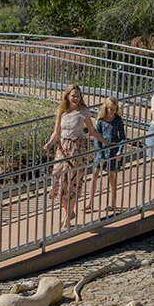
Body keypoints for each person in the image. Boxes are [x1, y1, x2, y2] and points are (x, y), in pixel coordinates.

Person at [43, 84, 108, 227]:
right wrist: (49, 144)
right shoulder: (62, 111)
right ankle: (69, 212)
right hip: (63, 149)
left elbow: (92, 130)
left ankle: (67, 217)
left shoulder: (83, 111)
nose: (75, 98)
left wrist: (105, 142)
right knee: (59, 181)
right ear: (67, 96)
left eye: (78, 96)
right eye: (73, 96)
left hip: (77, 149)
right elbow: (56, 132)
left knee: (73, 182)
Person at [87, 96, 126, 213]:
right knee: (95, 175)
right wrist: (100, 153)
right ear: (106, 108)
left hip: (113, 151)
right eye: (110, 109)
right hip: (102, 152)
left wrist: (120, 150)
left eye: (114, 109)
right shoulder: (100, 121)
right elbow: (96, 138)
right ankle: (89, 202)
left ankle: (112, 202)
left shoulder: (118, 120)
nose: (112, 111)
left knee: (111, 177)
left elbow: (123, 137)